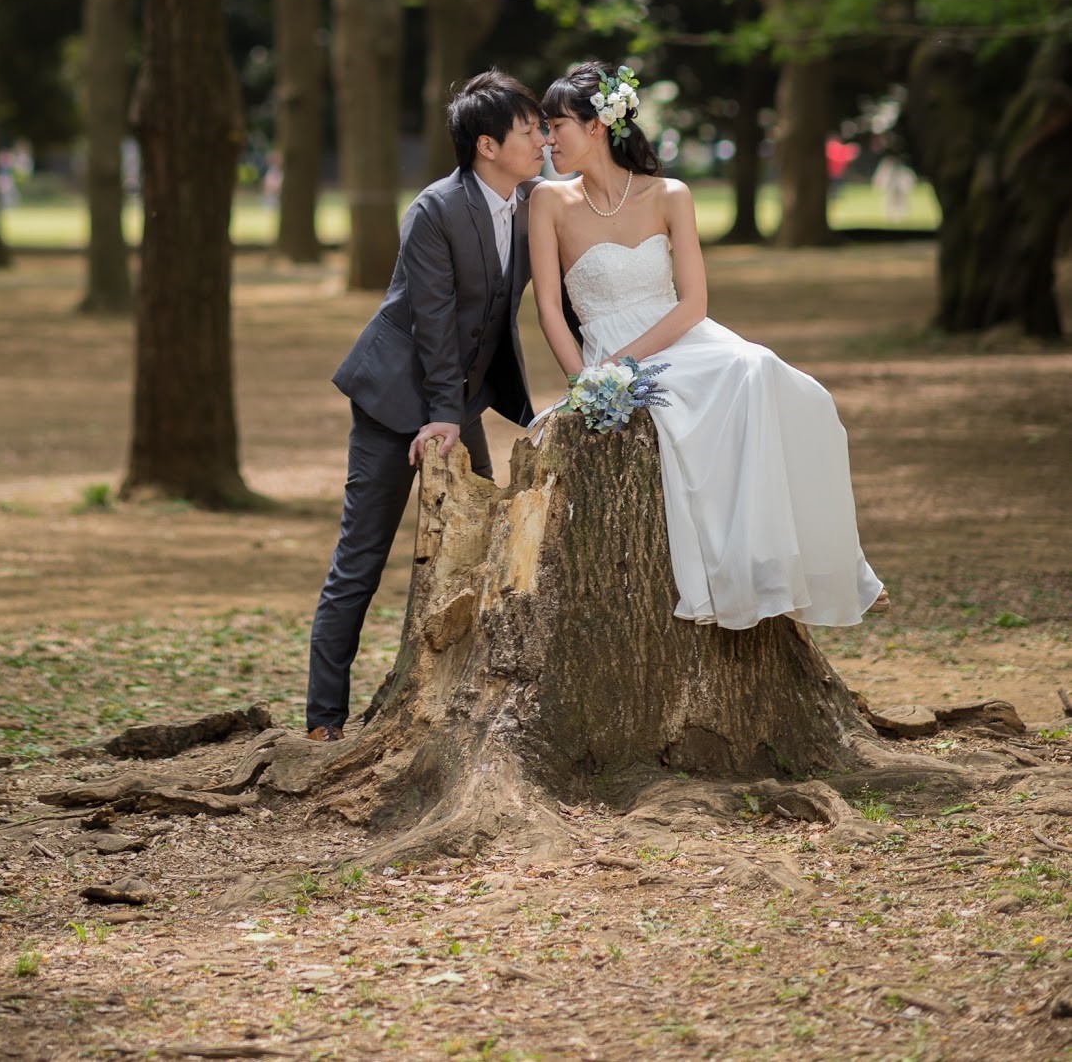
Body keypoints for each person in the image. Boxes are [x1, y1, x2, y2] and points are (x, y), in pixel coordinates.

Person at [529, 59, 884, 632]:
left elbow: (693, 303)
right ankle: (747, 571)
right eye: (545, 128)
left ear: (596, 126)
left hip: (681, 338)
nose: (547, 139)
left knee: (775, 378)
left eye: (556, 126)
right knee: (716, 398)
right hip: (605, 350)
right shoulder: (549, 201)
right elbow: (549, 306)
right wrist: (585, 383)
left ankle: (816, 567)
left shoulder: (670, 194)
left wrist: (623, 364)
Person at [304, 70, 549, 740]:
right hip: (396, 399)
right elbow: (433, 323)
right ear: (486, 146)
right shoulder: (434, 210)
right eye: (529, 130)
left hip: (458, 399)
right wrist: (442, 415)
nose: (541, 141)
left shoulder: (532, 204)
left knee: (479, 549)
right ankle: (323, 721)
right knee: (361, 557)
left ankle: (455, 707)